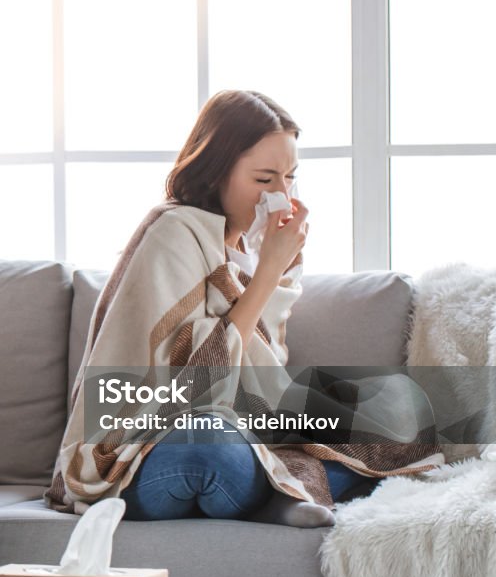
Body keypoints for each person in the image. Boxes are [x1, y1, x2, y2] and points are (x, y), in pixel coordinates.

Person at [45, 90, 442, 527]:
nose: (281, 195)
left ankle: (283, 489)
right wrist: (269, 270)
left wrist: (274, 263)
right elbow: (191, 391)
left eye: (290, 177)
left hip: (247, 431)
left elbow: (263, 377)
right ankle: (287, 489)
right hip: (144, 448)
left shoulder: (262, 249)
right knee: (205, 443)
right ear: (216, 173)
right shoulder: (176, 233)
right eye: (264, 179)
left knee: (400, 402)